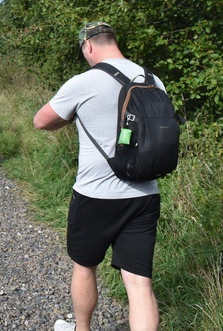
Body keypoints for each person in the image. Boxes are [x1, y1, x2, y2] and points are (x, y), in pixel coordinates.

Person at [33, 22, 162, 331]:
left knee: (84, 266)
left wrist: (74, 114)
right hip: (145, 193)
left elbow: (41, 121)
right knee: (139, 282)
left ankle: (82, 328)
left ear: (88, 46)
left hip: (95, 195)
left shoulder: (84, 82)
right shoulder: (152, 79)